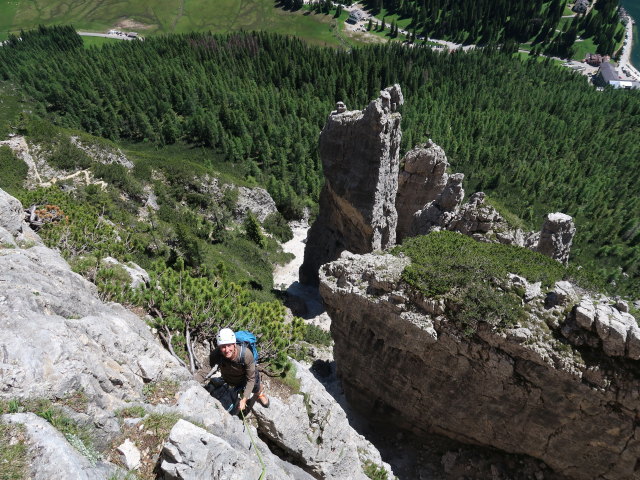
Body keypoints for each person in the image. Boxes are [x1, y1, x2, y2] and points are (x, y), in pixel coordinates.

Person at [211, 328, 269, 413]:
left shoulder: (246, 354)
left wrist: (244, 399)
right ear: (219, 347)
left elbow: (251, 379)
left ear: (234, 344)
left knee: (255, 388)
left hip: (249, 376)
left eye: (229, 345)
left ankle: (259, 393)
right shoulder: (218, 353)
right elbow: (206, 367)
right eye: (223, 346)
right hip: (233, 378)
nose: (226, 350)